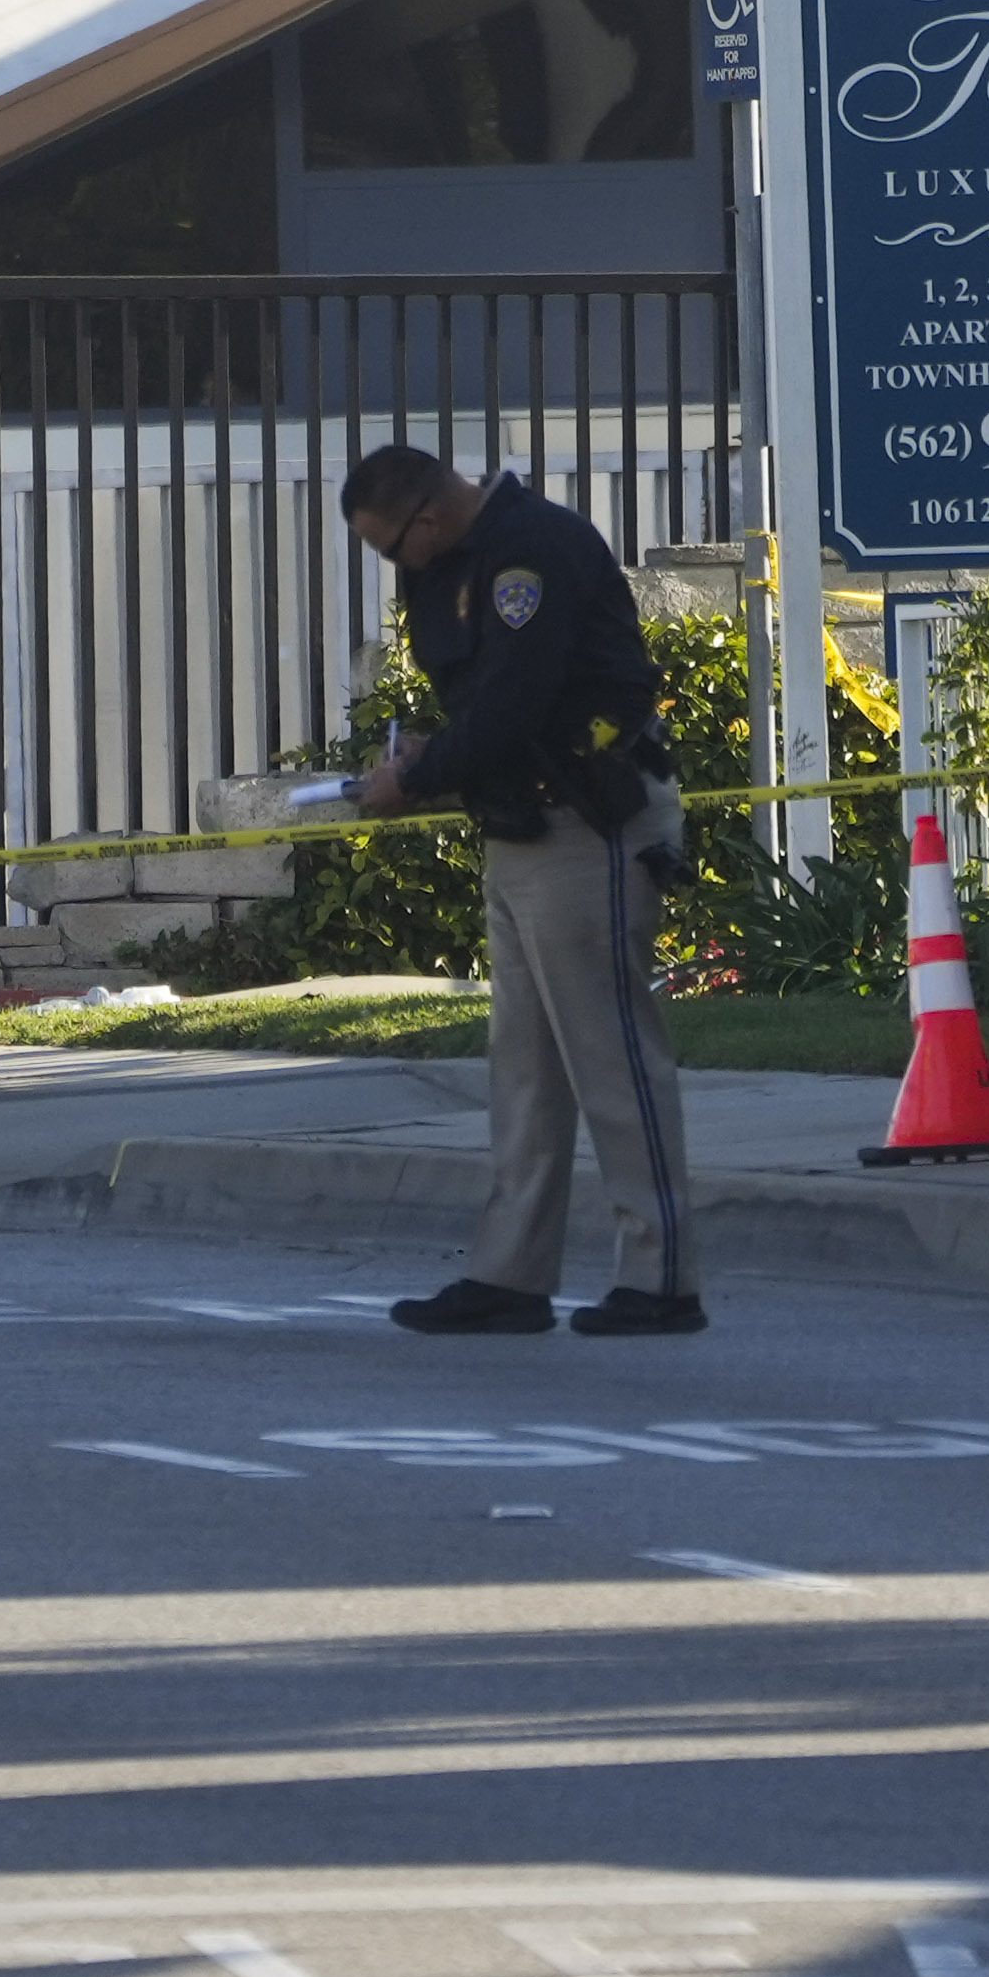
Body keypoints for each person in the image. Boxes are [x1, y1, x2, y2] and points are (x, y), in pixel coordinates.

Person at [342, 442, 702, 1337]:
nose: (397, 568)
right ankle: (511, 1274)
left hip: (591, 823)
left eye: (393, 548)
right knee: (527, 1070)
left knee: (612, 1057)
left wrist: (417, 783)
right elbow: (479, 705)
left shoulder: (530, 552)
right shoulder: (460, 566)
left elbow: (518, 699)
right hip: (521, 829)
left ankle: (661, 1278)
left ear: (428, 516)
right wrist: (427, 753)